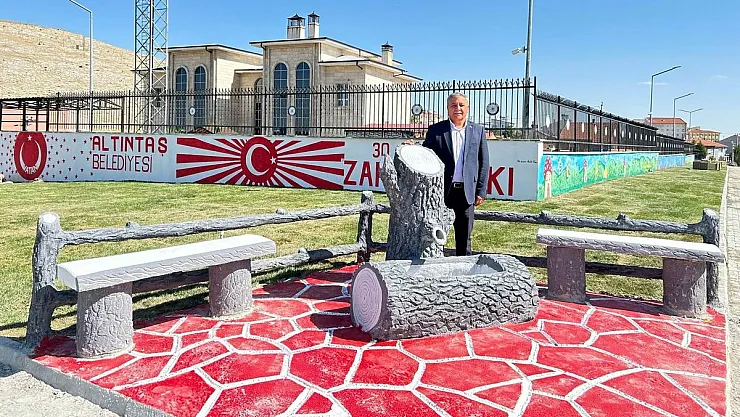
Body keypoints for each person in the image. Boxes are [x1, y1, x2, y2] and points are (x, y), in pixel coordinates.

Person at [419, 93, 490, 256]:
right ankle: (434, 265)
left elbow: (484, 162)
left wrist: (481, 190)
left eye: (461, 105)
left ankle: (463, 267)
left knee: (464, 237)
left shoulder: (478, 130)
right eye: (453, 105)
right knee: (435, 235)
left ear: (467, 108)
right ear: (448, 109)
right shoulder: (436, 130)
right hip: (441, 192)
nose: (457, 108)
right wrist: (412, 147)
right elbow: (425, 155)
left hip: (466, 193)